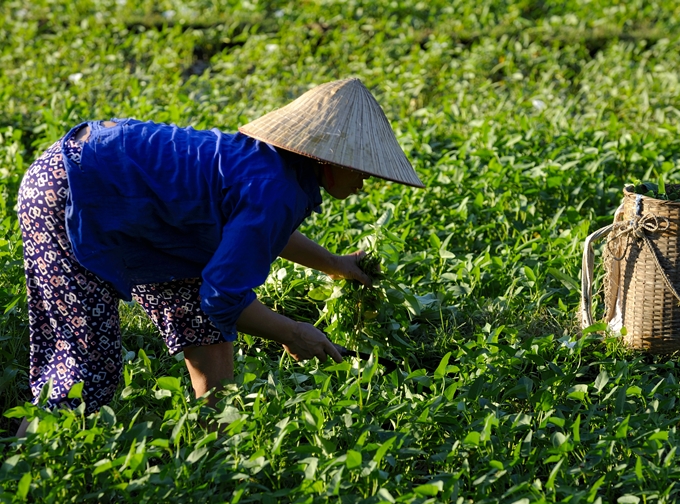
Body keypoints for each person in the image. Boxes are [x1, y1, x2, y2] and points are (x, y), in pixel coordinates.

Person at [15, 78, 424, 437]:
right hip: (72, 188)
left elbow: (261, 233)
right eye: (361, 171)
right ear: (327, 159)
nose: (364, 183)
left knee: (210, 336)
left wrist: (336, 264)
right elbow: (223, 295)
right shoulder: (275, 188)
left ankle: (214, 460)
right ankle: (24, 471)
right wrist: (293, 333)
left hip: (125, 197)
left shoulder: (277, 171)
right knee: (87, 367)